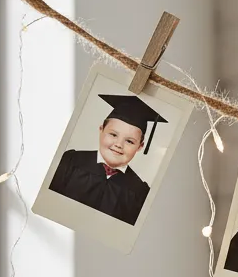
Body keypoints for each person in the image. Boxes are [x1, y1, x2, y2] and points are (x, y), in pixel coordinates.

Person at [49, 93, 167, 226]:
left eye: (129, 141)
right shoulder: (71, 161)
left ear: (140, 147)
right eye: (113, 134)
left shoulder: (139, 192)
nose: (118, 144)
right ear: (101, 130)